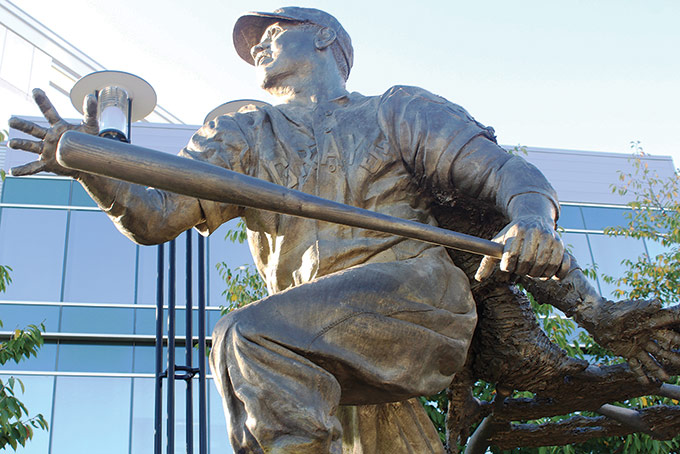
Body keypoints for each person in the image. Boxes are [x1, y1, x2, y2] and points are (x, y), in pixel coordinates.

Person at [5, 7, 599, 454]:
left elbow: (507, 171)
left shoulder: (395, 111)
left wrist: (529, 218)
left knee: (246, 336)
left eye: (274, 29)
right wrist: (90, 164)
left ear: (325, 39)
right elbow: (156, 217)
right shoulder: (240, 130)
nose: (259, 43)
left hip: (415, 302)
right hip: (316, 337)